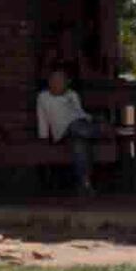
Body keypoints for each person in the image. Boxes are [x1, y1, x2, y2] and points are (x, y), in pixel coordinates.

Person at [34, 50, 102, 194]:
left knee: (80, 143)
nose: (55, 83)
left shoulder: (72, 95)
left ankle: (85, 183)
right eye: (53, 80)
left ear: (67, 82)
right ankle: (99, 131)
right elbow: (42, 119)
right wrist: (44, 138)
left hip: (78, 126)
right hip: (63, 131)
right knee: (77, 128)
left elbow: (79, 112)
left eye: (60, 80)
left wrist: (87, 117)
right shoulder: (43, 97)